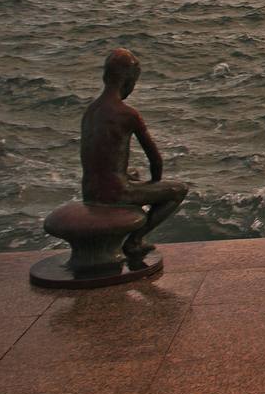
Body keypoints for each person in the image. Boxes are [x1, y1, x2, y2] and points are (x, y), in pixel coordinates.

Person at [81, 49, 189, 257]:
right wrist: (154, 186)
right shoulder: (128, 114)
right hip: (114, 194)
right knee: (178, 190)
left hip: (90, 192)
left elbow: (95, 158)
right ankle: (135, 240)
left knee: (132, 174)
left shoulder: (90, 111)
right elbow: (155, 160)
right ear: (128, 81)